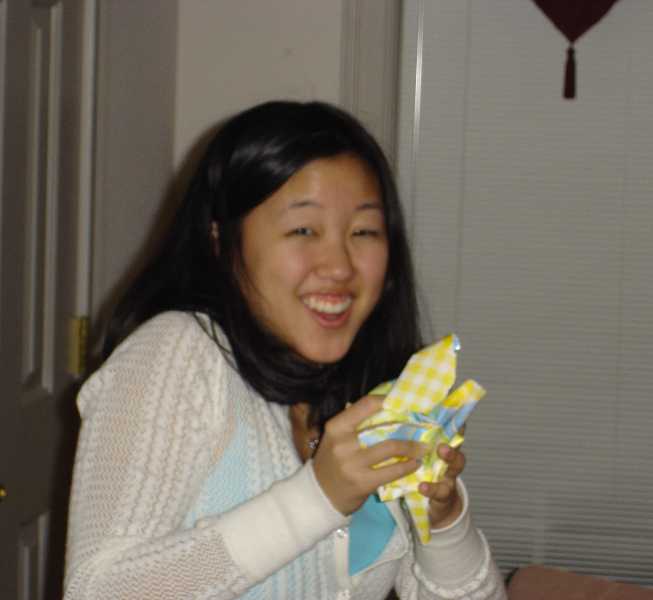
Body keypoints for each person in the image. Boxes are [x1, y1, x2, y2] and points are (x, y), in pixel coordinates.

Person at [64, 100, 506, 599]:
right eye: (303, 230)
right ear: (221, 240)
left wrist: (444, 522)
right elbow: (96, 591)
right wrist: (318, 497)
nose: (339, 265)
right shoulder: (177, 354)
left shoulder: (379, 390)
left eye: (364, 231)